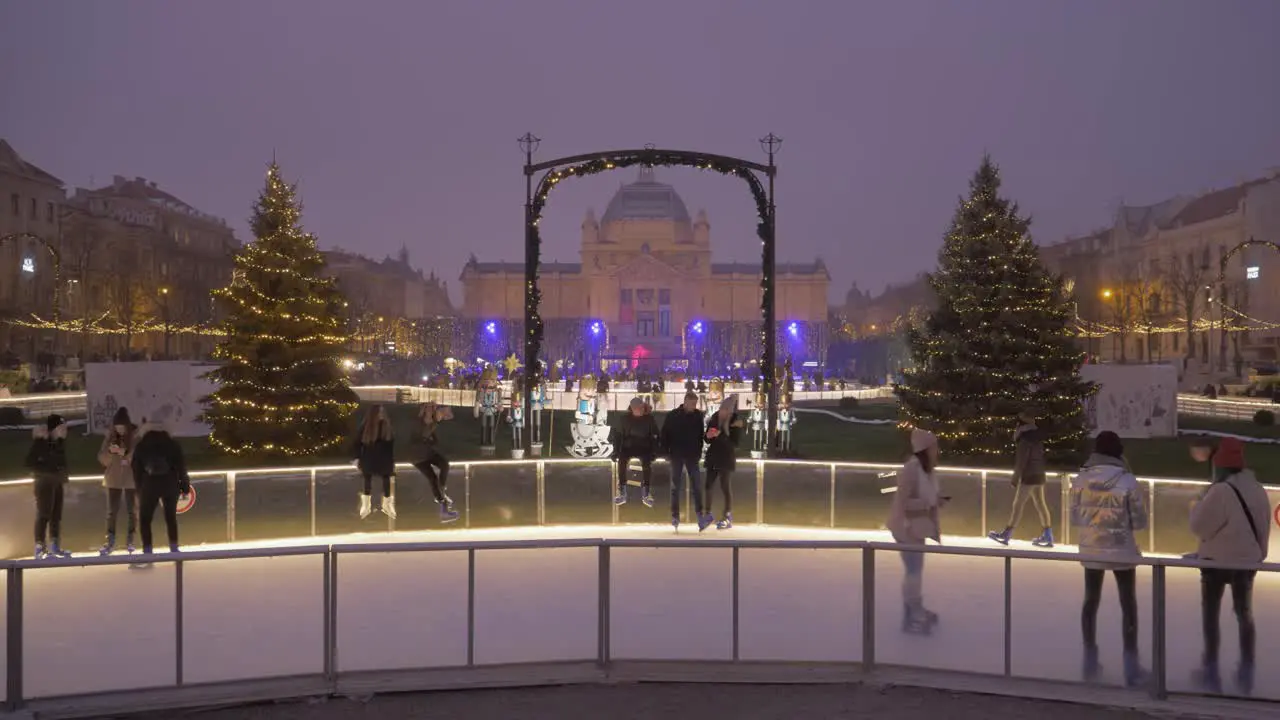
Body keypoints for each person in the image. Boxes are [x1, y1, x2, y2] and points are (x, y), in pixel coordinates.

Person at [1187, 437, 1271, 695]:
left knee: (1211, 616)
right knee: (1244, 614)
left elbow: (1198, 526)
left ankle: (1210, 670)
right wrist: (1257, 555)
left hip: (1216, 562)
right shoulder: (1257, 488)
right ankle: (1247, 671)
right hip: (1246, 562)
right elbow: (1263, 526)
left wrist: (1197, 504)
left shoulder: (1220, 491)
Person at [1070, 431, 1148, 686]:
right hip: (1122, 549)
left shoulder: (1081, 479)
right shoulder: (1127, 480)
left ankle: (1089, 660)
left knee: (1090, 601)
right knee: (1128, 604)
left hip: (1091, 548)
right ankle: (1131, 664)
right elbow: (1140, 521)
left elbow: (1074, 517)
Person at [886, 428, 944, 634]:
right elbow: (902, 502)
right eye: (934, 446)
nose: (937, 450)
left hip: (918, 528)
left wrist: (934, 503)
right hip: (906, 528)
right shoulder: (911, 469)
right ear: (925, 449)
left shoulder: (927, 470)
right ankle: (911, 615)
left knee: (915, 572)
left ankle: (914, 612)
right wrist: (928, 502)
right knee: (913, 572)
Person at [988, 410, 1053, 547]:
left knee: (1018, 505)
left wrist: (1015, 477)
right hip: (1039, 473)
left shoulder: (1024, 438)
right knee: (1041, 504)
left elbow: (1021, 460)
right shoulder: (1037, 436)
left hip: (1029, 475)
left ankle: (1007, 534)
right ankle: (1048, 535)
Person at [130, 420, 190, 556]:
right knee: (170, 517)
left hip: (149, 485)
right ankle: (173, 547)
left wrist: (139, 487)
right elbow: (181, 467)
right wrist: (184, 486)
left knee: (145, 519)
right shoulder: (173, 445)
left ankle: (147, 549)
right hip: (170, 484)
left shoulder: (142, 446)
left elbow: (136, 469)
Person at [661, 391, 711, 531]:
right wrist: (667, 453)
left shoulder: (697, 416)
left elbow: (700, 435)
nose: (694, 406)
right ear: (686, 402)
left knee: (696, 486)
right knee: (675, 487)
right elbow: (665, 434)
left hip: (692, 455)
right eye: (692, 404)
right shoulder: (673, 416)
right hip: (676, 455)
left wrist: (698, 451)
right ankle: (675, 516)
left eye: (695, 404)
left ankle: (700, 515)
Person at [26, 414, 71, 559]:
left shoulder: (59, 443)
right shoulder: (41, 443)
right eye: (61, 427)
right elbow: (29, 462)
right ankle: (40, 547)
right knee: (44, 513)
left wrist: (62, 474)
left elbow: (62, 462)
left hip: (57, 481)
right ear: (53, 429)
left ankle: (55, 546)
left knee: (56, 516)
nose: (64, 430)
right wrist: (45, 468)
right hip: (44, 482)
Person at [97, 407, 139, 554]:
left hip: (130, 479)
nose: (120, 431)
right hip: (113, 479)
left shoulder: (134, 437)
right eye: (117, 428)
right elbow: (102, 459)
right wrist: (110, 452)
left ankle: (130, 540)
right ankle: (110, 540)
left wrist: (124, 453)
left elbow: (136, 457)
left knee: (131, 511)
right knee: (111, 512)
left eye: (122, 428)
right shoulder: (110, 438)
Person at [412, 402, 458, 523]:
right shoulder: (418, 422)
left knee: (444, 465)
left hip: (426, 453)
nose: (431, 411)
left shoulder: (431, 422)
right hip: (418, 456)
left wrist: (441, 418)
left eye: (432, 409)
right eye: (429, 409)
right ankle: (443, 506)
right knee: (432, 478)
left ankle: (442, 491)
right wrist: (436, 422)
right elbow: (424, 434)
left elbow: (433, 439)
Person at [704, 395, 744, 529]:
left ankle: (727, 515)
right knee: (708, 486)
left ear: (730, 411)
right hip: (713, 457)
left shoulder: (735, 421)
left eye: (725, 410)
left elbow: (734, 443)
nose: (722, 412)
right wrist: (708, 436)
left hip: (726, 458)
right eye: (721, 409)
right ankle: (707, 514)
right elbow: (707, 438)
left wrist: (720, 435)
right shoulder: (714, 418)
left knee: (725, 487)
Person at [612, 397, 660, 507]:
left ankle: (646, 493)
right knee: (622, 461)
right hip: (628, 447)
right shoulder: (625, 419)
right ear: (633, 408)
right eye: (638, 408)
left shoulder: (649, 419)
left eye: (642, 407)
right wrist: (616, 451)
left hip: (644, 447)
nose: (640, 410)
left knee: (647, 464)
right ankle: (622, 492)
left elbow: (655, 436)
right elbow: (618, 436)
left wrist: (654, 450)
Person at [353, 405, 397, 519]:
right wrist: (357, 458)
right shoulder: (366, 426)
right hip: (369, 457)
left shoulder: (387, 426)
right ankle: (366, 504)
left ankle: (387, 503)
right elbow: (358, 443)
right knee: (367, 477)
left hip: (383, 457)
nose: (381, 415)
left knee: (386, 477)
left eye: (382, 412)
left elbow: (390, 445)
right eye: (379, 412)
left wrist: (392, 462)